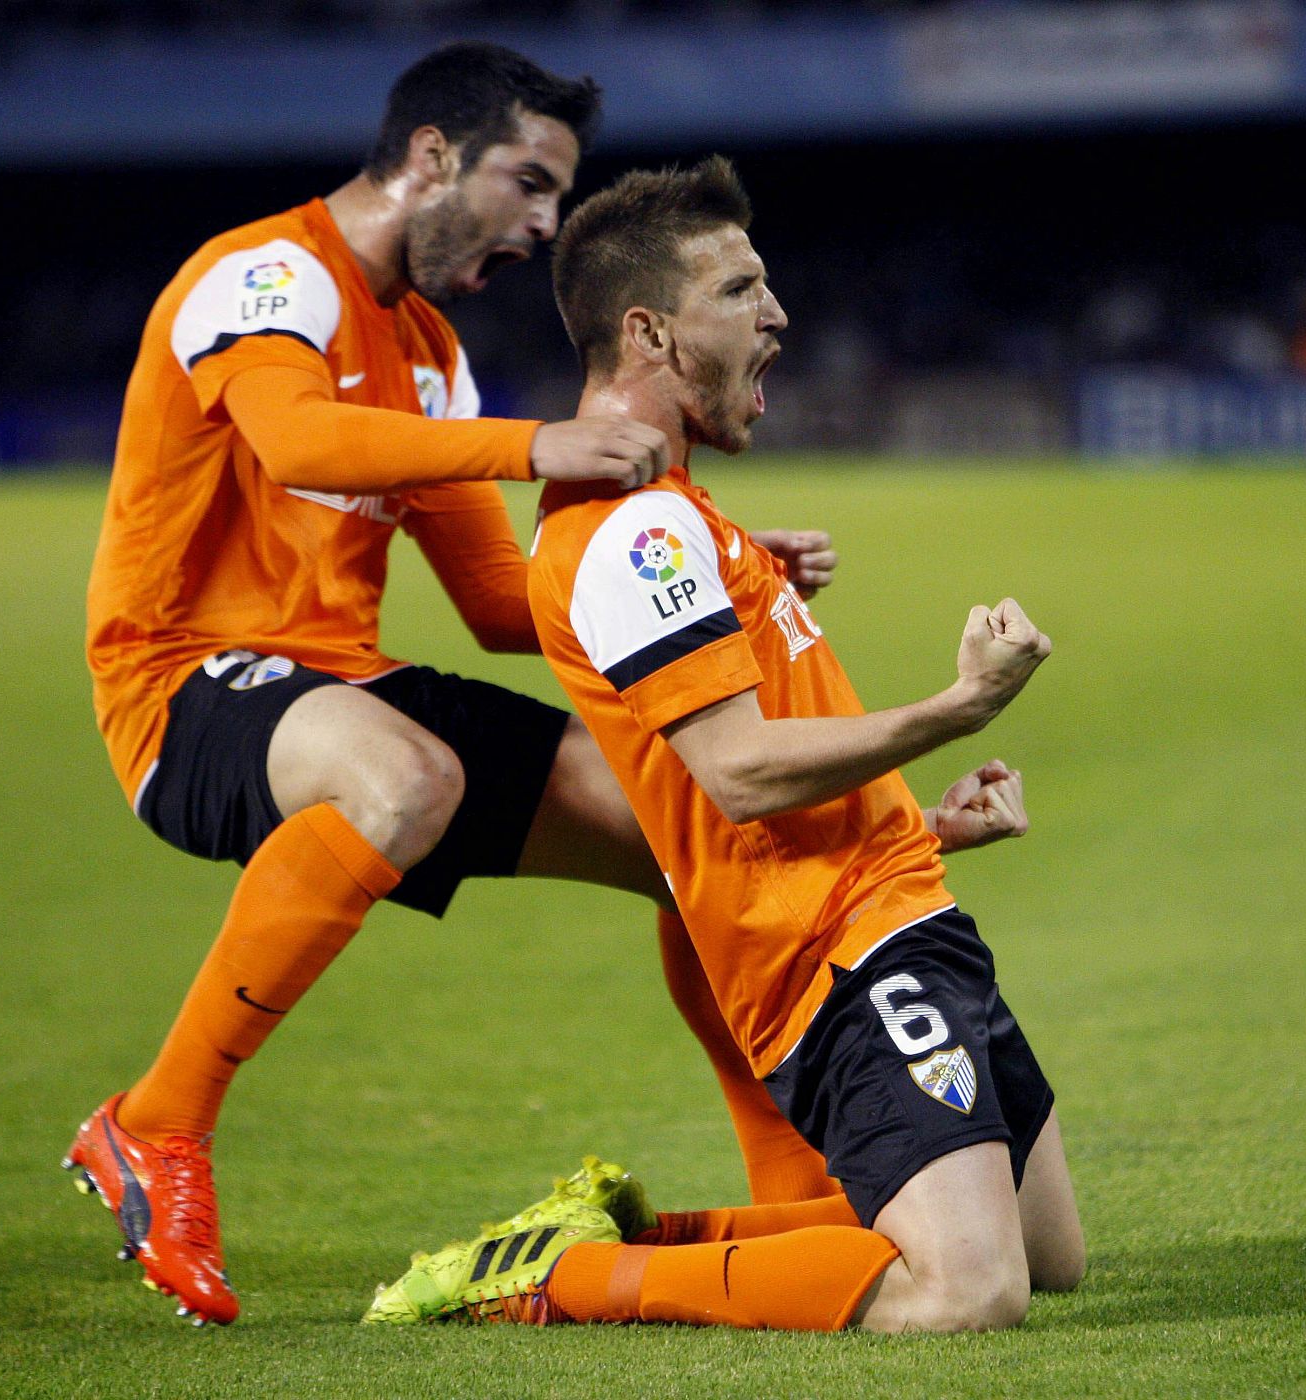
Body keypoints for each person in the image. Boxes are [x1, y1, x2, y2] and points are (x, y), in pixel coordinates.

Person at [63, 41, 1028, 1327]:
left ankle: (805, 1188)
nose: (542, 223)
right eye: (527, 183)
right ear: (427, 157)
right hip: (182, 684)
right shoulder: (265, 275)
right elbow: (293, 438)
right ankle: (157, 1122)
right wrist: (538, 445)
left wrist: (723, 566)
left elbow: (500, 604)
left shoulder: (425, 356)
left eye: (555, 196)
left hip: (339, 679)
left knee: (688, 823)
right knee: (407, 775)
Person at [367, 157, 1084, 1334]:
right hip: (834, 954)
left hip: (902, 909)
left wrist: (923, 814)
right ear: (649, 329)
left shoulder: (683, 517)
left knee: (1048, 1258)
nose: (777, 315)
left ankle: (632, 1238)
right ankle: (559, 1277)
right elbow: (737, 771)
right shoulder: (629, 537)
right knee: (968, 1291)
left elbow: (756, 753)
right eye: (742, 289)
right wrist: (955, 705)